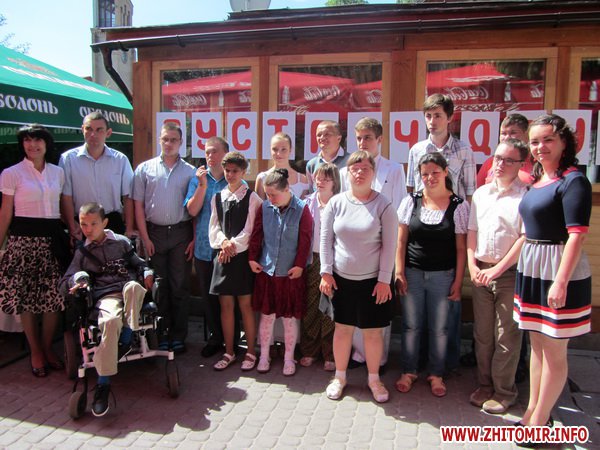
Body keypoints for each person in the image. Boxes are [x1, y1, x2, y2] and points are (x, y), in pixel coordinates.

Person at [514, 114, 592, 428]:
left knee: (555, 352)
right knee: (537, 347)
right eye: (534, 141)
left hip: (558, 269)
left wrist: (560, 282)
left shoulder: (574, 180)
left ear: (563, 142)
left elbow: (577, 235)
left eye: (548, 139)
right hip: (533, 268)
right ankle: (533, 411)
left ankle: (540, 422)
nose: (540, 147)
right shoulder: (537, 180)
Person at [59, 202, 153, 417]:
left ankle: (127, 335)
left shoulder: (121, 242)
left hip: (129, 290)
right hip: (107, 296)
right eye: (83, 224)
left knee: (133, 288)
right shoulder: (82, 252)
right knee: (109, 322)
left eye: (93, 224)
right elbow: (64, 282)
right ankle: (103, 385)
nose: (88, 229)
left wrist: (147, 272)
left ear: (105, 223)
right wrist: (78, 279)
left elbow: (139, 264)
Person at [320, 151, 398, 403]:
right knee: (342, 330)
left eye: (365, 168)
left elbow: (390, 245)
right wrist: (325, 271)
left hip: (374, 283)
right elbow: (326, 240)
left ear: (373, 173)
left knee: (372, 333)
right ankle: (340, 377)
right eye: (355, 168)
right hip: (340, 281)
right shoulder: (336, 203)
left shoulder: (384, 205)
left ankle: (374, 379)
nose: (360, 172)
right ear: (348, 173)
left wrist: (384, 280)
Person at [406, 93, 476, 372]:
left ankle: (446, 364)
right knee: (418, 312)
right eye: (428, 116)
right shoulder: (416, 150)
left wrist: (464, 229)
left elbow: (469, 193)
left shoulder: (464, 150)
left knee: (448, 306)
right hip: (423, 229)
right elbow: (412, 191)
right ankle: (418, 363)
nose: (432, 121)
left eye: (437, 115)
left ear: (450, 118)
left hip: (451, 229)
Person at [395, 152, 469, 398]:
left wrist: (458, 281)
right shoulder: (411, 201)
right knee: (411, 326)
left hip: (443, 276)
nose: (430, 178)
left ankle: (436, 373)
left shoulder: (459, 205)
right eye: (425, 174)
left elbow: (461, 249)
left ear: (445, 172)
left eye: (435, 172)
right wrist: (399, 271)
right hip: (413, 274)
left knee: (439, 328)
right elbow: (401, 241)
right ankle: (409, 370)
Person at [0, 124, 70, 377]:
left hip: (52, 241)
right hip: (23, 242)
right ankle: (36, 351)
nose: (32, 145)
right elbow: (5, 212)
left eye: (37, 140)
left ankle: (48, 347)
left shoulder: (58, 173)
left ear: (46, 143)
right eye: (27, 140)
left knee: (54, 300)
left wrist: (72, 228)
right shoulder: (11, 173)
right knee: (26, 300)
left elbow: (63, 205)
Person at [339, 117, 408, 370]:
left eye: (367, 137)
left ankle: (379, 358)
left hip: (382, 245)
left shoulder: (393, 169)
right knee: (357, 302)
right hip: (355, 247)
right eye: (358, 138)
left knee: (379, 301)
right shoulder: (347, 170)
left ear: (379, 139)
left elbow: (400, 208)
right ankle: (359, 354)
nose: (362, 142)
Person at [467, 139, 528, 414]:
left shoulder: (524, 196)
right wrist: (472, 266)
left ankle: (504, 392)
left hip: (509, 274)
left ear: (521, 164)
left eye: (508, 160)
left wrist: (498, 269)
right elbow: (472, 232)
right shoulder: (481, 194)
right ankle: (484, 385)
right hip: (481, 272)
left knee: (506, 336)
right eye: (498, 158)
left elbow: (524, 238)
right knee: (482, 335)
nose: (500, 164)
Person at [133, 122, 195, 353]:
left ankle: (179, 335)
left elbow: (195, 208)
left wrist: (193, 238)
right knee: (159, 286)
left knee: (180, 286)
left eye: (173, 140)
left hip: (181, 232)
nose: (169, 144)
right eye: (165, 139)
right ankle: (161, 333)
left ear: (181, 143)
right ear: (160, 140)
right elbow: (137, 205)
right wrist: (145, 237)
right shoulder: (144, 169)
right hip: (155, 234)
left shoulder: (190, 171)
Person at [249, 169, 313, 376]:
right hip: (267, 272)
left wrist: (300, 265)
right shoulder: (265, 207)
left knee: (289, 319)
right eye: (267, 194)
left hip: (290, 274)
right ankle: (264, 356)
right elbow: (257, 234)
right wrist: (252, 258)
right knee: (266, 317)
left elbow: (305, 240)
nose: (270, 199)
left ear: (287, 189)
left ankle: (288, 358)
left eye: (274, 194)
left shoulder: (302, 209)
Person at [209, 151, 262, 371]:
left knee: (246, 305)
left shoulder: (252, 198)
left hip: (241, 258)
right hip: (223, 256)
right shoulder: (217, 197)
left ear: (243, 171)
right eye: (227, 170)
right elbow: (214, 226)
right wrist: (223, 242)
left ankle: (250, 352)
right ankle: (229, 351)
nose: (230, 174)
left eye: (235, 171)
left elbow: (250, 229)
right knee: (226, 305)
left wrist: (231, 246)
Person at [184, 136, 233, 358]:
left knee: (228, 297)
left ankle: (232, 340)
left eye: (214, 151)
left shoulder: (234, 180)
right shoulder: (197, 180)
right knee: (208, 296)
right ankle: (215, 338)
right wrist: (202, 185)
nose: (210, 156)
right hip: (204, 247)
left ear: (225, 154)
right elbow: (192, 211)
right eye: (207, 152)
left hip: (227, 249)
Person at [59, 111, 134, 241]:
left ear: (108, 133)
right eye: (89, 129)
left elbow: (128, 196)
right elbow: (66, 196)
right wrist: (71, 227)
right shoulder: (68, 159)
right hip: (82, 224)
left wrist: (129, 228)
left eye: (99, 130)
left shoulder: (120, 160)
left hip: (112, 222)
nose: (93, 134)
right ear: (82, 130)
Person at [299, 163, 340, 372]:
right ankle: (309, 350)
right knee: (311, 305)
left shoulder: (341, 203)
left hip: (336, 261)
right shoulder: (306, 203)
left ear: (334, 182)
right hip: (311, 260)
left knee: (330, 308)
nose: (321, 182)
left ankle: (330, 353)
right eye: (318, 178)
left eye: (326, 179)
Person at [476, 113, 533, 187]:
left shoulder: (536, 163)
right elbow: (478, 189)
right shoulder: (490, 162)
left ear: (527, 135)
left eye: (513, 133)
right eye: (503, 133)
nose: (507, 138)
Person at [256, 132, 310, 200]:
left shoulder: (303, 179)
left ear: (290, 150)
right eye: (275, 149)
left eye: (283, 149)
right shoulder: (262, 178)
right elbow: (260, 205)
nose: (279, 153)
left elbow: (304, 206)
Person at [305, 120, 349, 190]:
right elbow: (311, 193)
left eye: (327, 134)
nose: (322, 138)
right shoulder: (312, 165)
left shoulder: (350, 161)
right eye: (319, 135)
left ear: (339, 138)